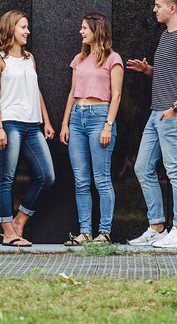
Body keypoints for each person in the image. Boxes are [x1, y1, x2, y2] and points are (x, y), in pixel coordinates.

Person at [125, 0, 177, 248]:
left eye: (158, 5)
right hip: (158, 113)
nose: (154, 9)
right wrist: (148, 70)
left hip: (174, 114)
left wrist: (176, 108)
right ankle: (157, 227)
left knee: (175, 171)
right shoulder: (166, 36)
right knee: (142, 168)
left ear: (172, 8)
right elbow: (173, 74)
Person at [0, 10, 56, 247]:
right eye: (23, 27)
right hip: (9, 124)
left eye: (27, 27)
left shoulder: (29, 58)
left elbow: (35, 91)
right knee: (6, 178)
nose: (28, 31)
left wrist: (45, 121)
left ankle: (19, 223)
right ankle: (8, 233)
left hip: (32, 126)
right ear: (11, 29)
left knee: (47, 176)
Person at [59, 13, 123, 246]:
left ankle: (104, 233)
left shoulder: (113, 59)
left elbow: (116, 96)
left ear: (98, 30)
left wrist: (108, 125)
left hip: (100, 118)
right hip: (77, 118)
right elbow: (72, 93)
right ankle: (85, 232)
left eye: (85, 28)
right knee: (81, 181)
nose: (81, 31)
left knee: (102, 179)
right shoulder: (79, 59)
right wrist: (65, 123)